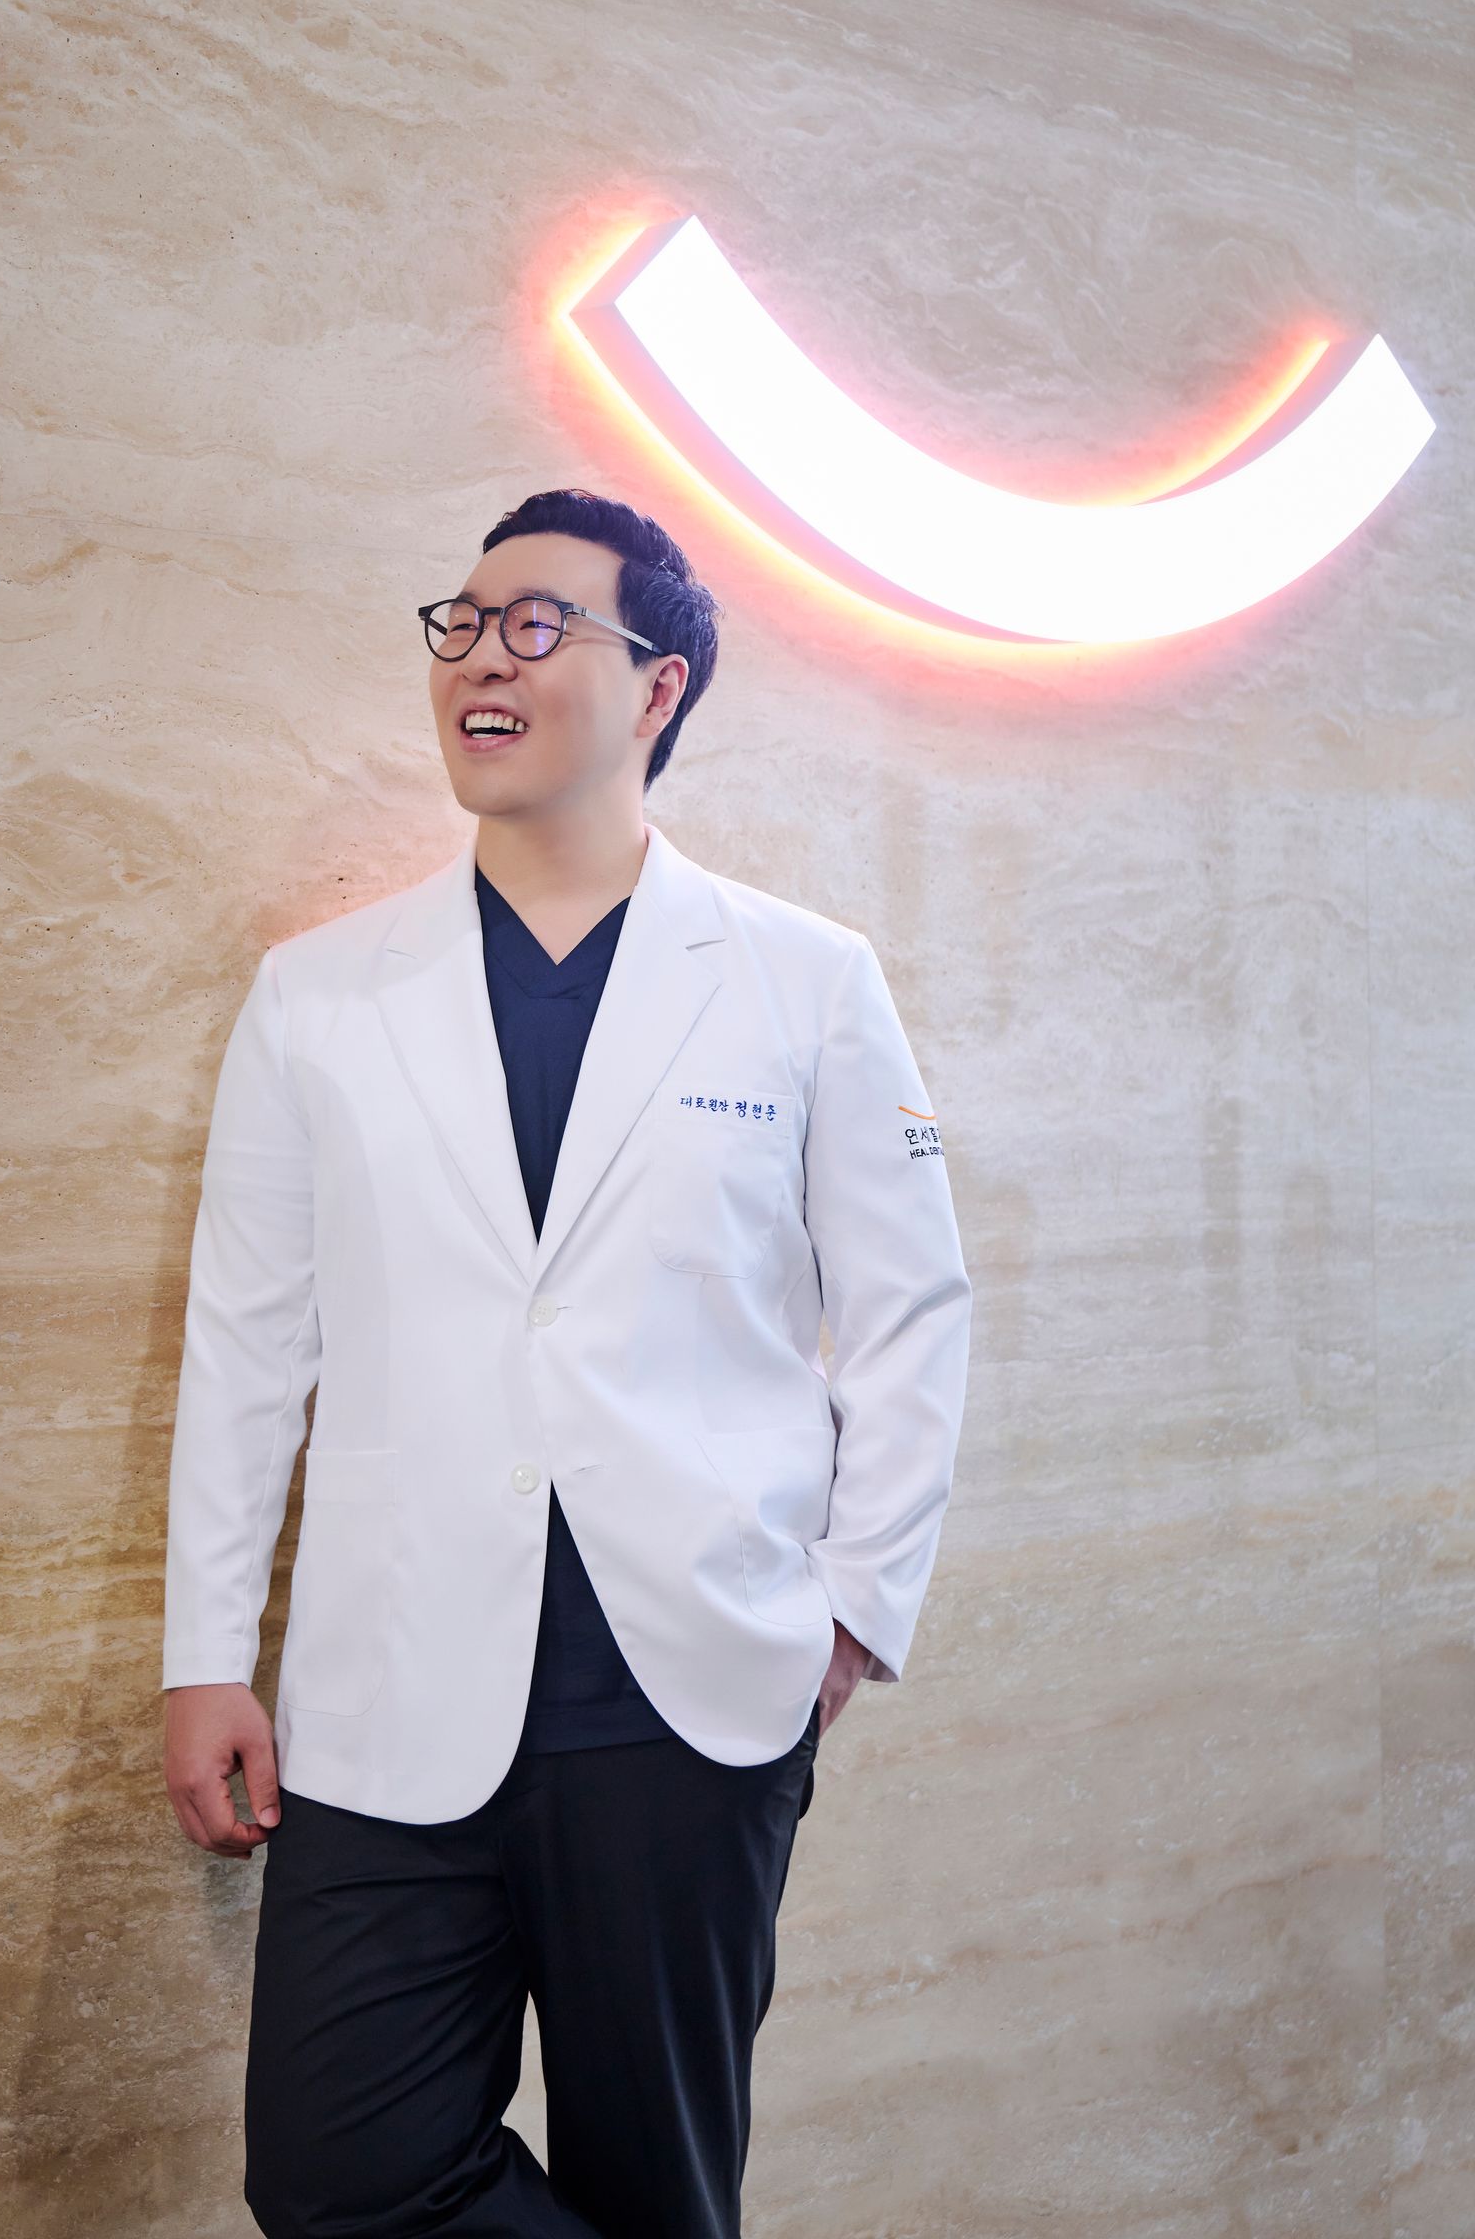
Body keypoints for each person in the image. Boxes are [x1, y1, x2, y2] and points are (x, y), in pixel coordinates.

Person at [160, 485, 972, 2239]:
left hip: (686, 1699)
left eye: (536, 622)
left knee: (660, 2183)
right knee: (335, 2174)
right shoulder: (319, 995)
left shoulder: (805, 981)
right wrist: (205, 1652)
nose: (478, 658)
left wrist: (852, 1607)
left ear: (658, 688)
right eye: (458, 623)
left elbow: (913, 1309)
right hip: (386, 1705)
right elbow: (247, 1341)